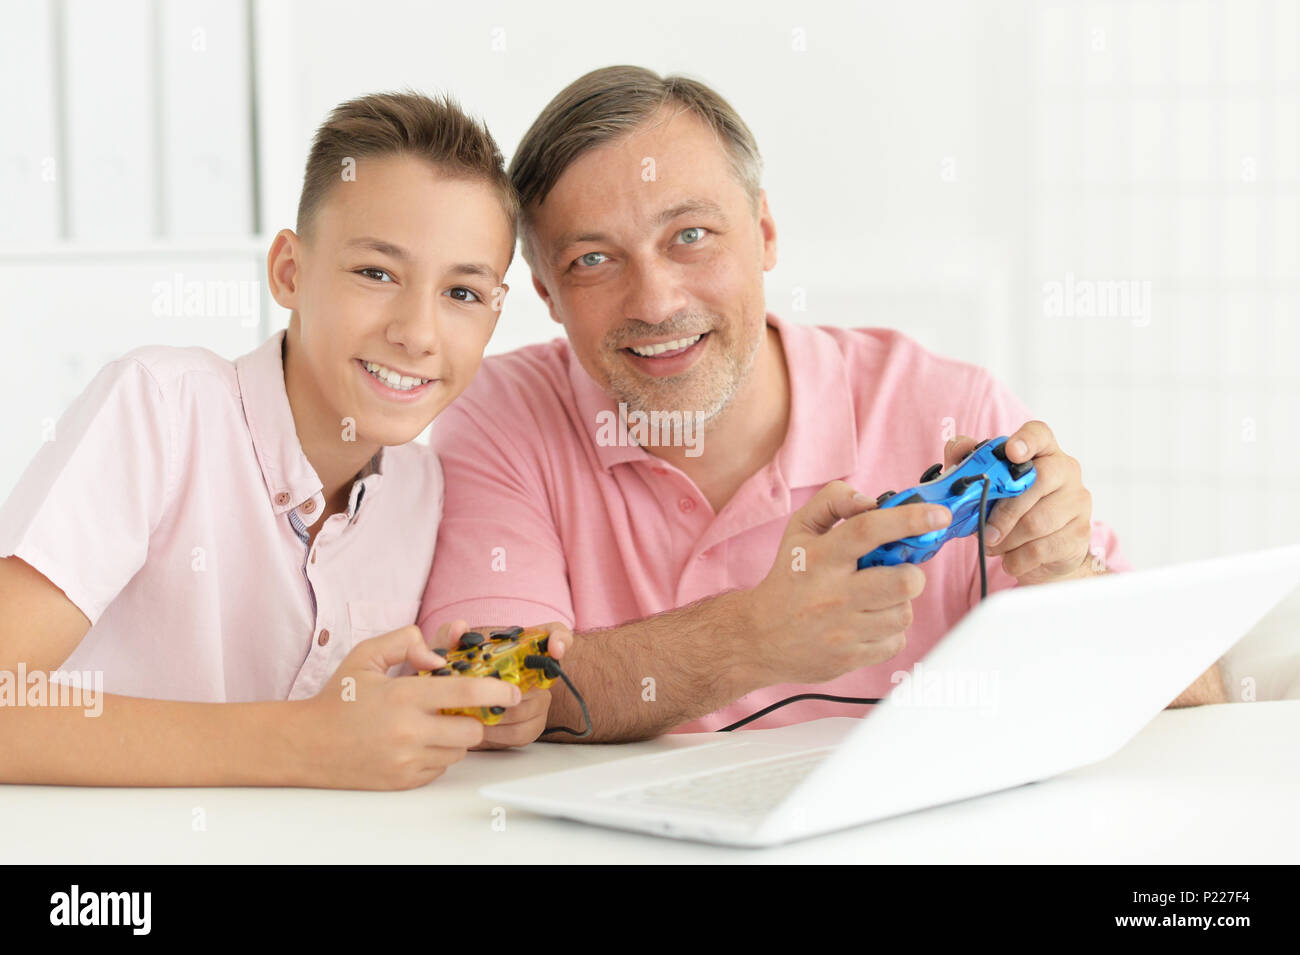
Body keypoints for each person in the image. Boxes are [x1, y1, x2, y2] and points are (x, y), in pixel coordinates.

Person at [419, 66, 1225, 741]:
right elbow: (485, 695)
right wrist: (755, 637)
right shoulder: (499, 416)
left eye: (691, 235)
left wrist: (1066, 570)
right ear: (548, 295)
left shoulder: (949, 404)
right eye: (594, 259)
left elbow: (1203, 705)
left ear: (765, 232)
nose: (656, 301)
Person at [0, 91, 568, 789]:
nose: (418, 334)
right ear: (289, 272)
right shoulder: (161, 408)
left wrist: (477, 710)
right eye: (377, 273)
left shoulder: (423, 489)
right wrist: (305, 743)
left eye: (462, 294)